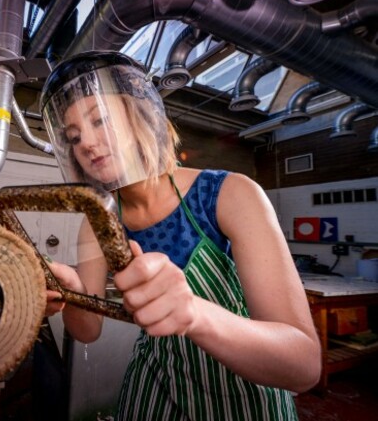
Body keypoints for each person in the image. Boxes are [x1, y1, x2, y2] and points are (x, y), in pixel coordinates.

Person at [38, 50, 321, 421]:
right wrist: (72, 293)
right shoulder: (97, 219)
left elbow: (302, 367)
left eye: (100, 121)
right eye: (74, 137)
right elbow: (88, 331)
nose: (87, 143)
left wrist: (194, 314)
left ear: (141, 118)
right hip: (154, 391)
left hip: (247, 395)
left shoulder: (230, 194)